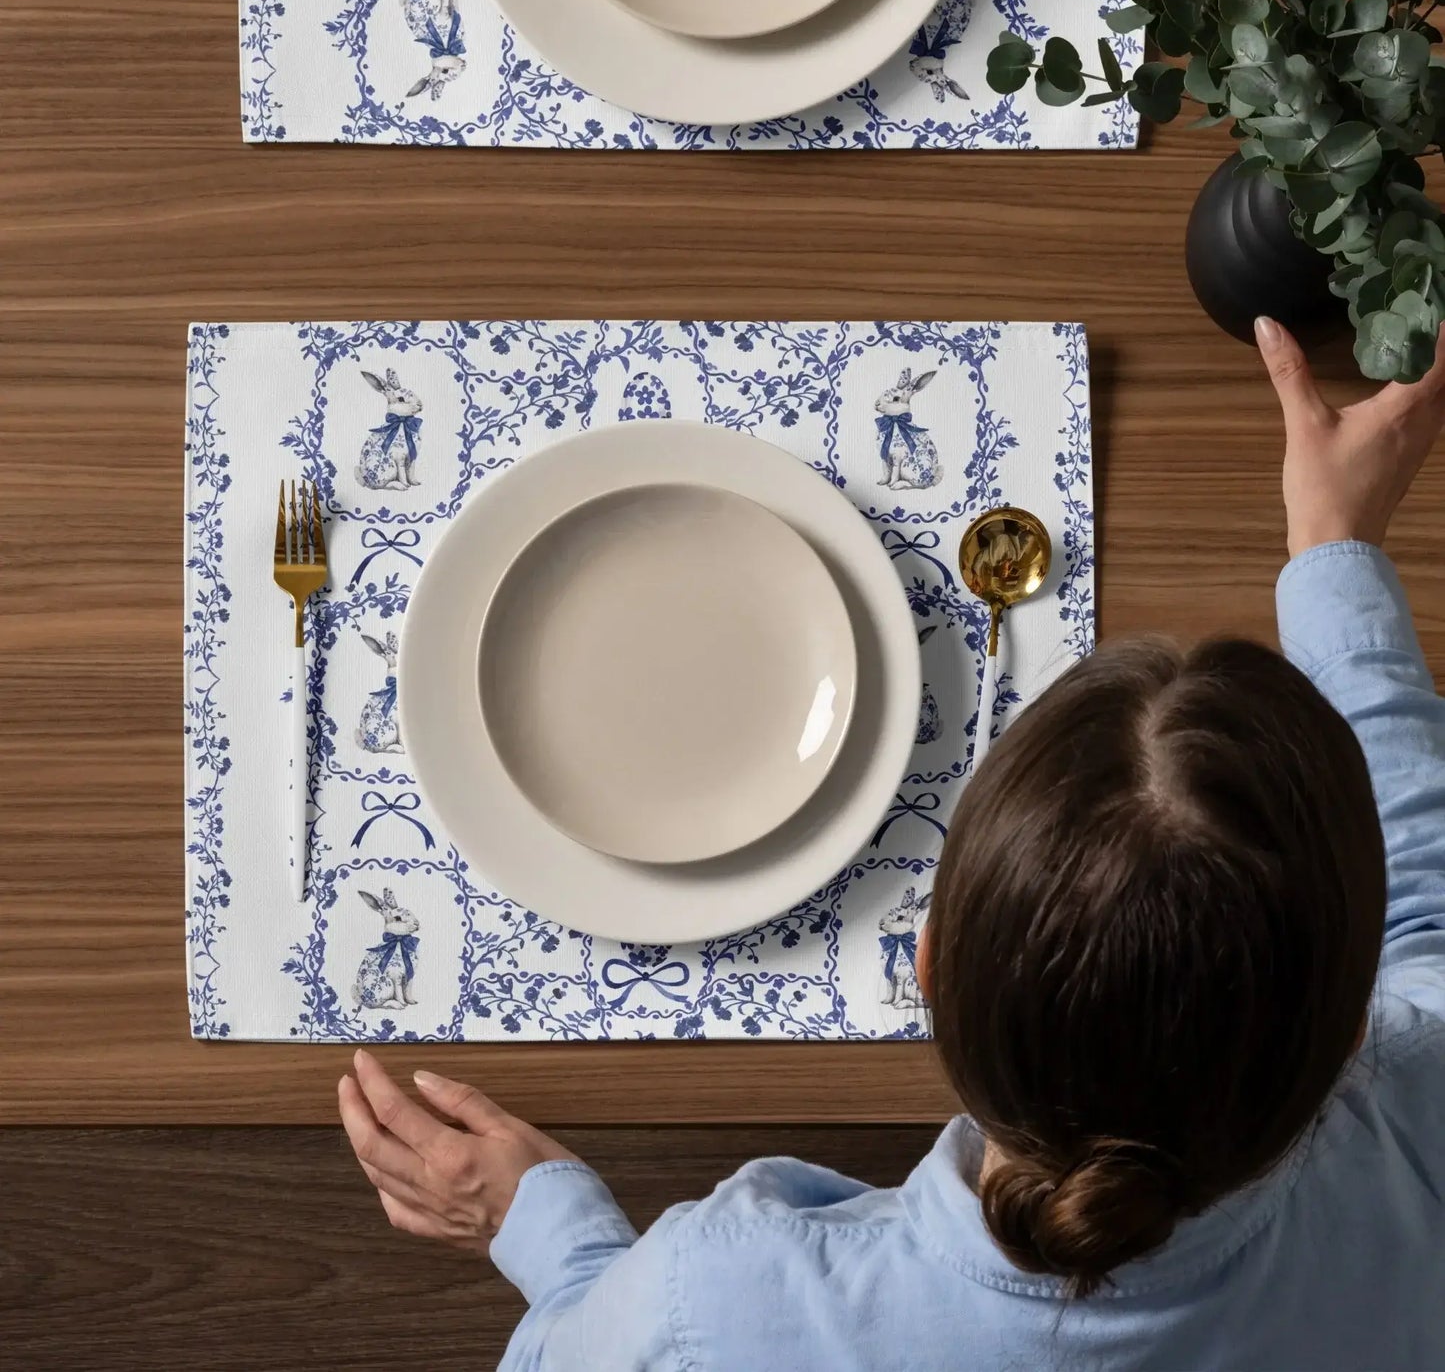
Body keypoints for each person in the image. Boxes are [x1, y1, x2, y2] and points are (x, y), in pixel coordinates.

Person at [338, 318, 1445, 1371]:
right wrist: (1332, 549)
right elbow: (1426, 916)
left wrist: (554, 1238)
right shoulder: (1416, 1123)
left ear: (926, 966)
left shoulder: (712, 1307)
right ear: (1348, 1030)